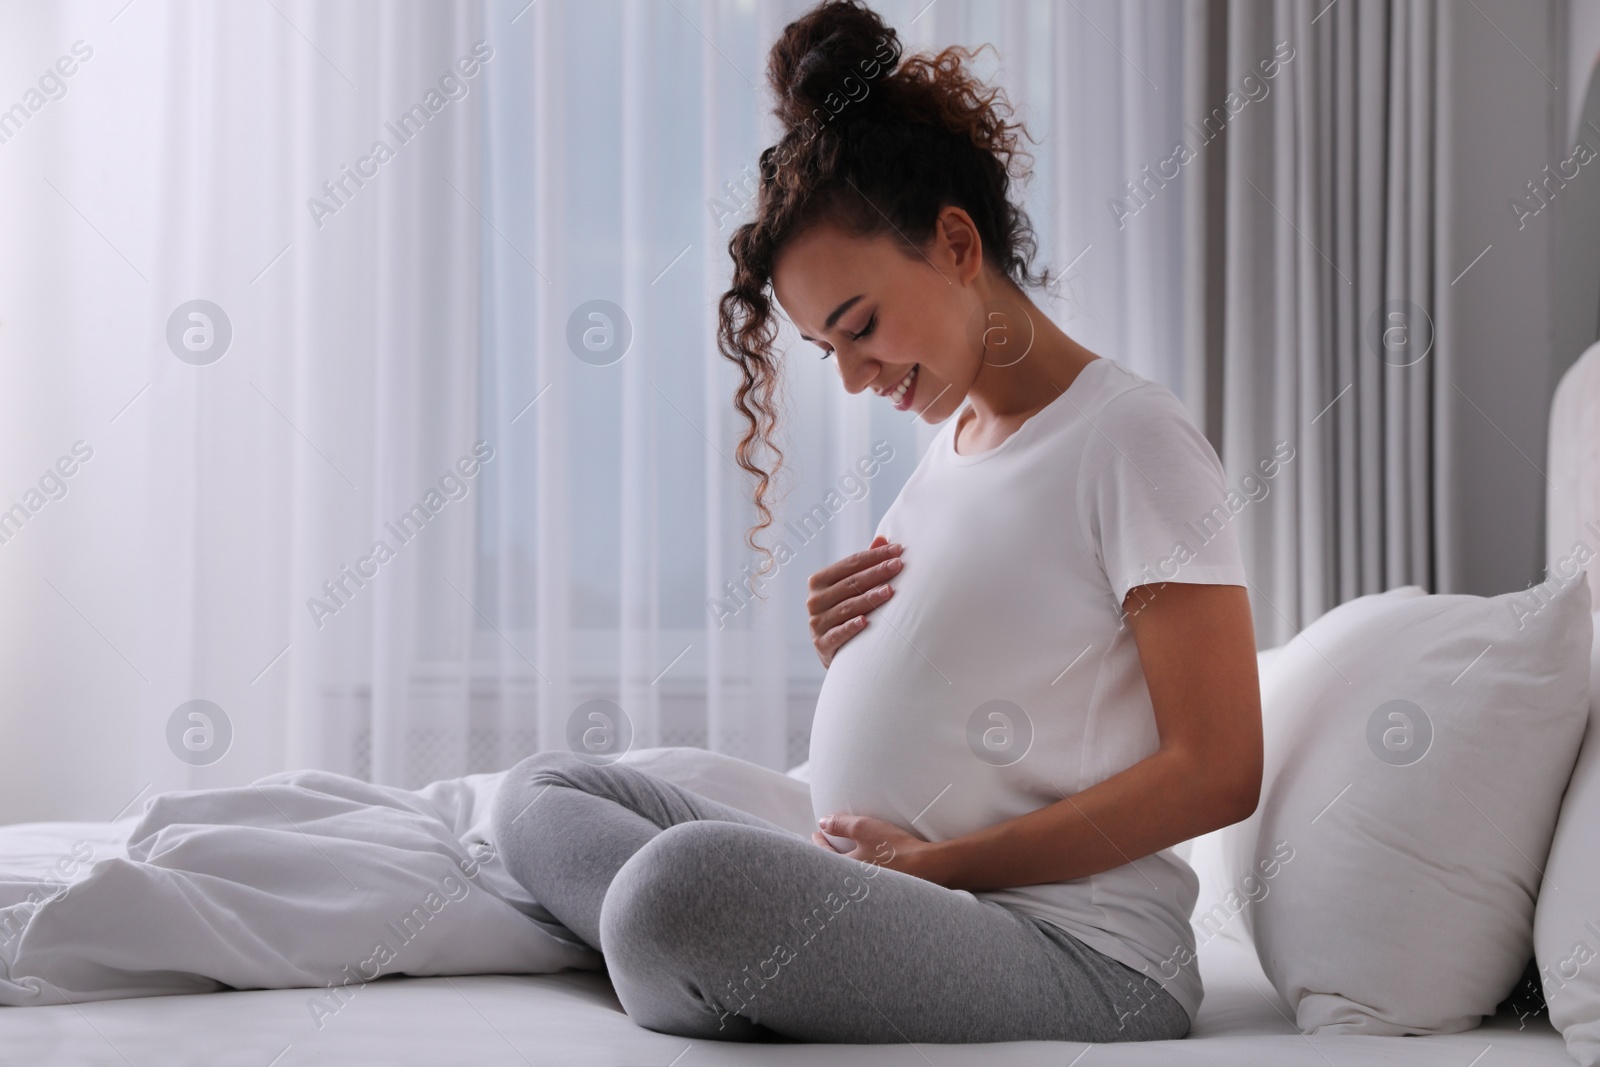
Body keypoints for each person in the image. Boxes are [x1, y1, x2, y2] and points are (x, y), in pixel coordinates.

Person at [491, 0, 1262, 1045]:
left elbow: (1218, 766)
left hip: (1074, 949)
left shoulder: (1131, 438)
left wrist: (936, 867)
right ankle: (724, 957)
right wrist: (862, 652)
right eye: (826, 348)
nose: (854, 375)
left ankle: (699, 949)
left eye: (858, 326)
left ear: (954, 242)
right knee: (540, 793)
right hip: (897, 888)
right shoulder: (953, 445)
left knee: (673, 889)